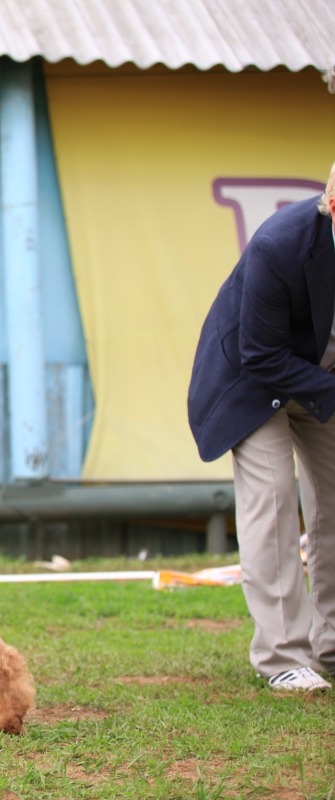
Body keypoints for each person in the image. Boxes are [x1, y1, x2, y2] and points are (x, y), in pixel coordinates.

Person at [188, 161, 335, 691]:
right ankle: (283, 658)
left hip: (324, 375)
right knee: (273, 499)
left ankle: (331, 643)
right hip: (254, 381)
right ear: (333, 206)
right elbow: (261, 355)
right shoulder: (282, 243)